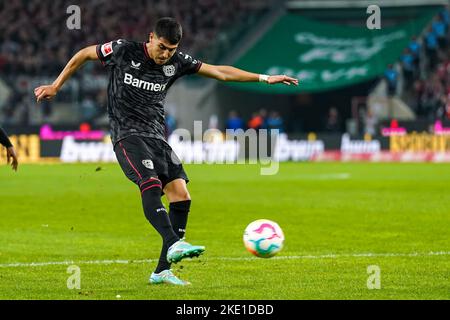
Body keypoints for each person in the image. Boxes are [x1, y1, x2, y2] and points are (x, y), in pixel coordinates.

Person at [34, 17, 298, 286]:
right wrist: (56, 85)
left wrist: (265, 78)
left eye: (172, 49)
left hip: (158, 138)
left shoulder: (177, 61)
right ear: (151, 38)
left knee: (181, 196)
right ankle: (173, 242)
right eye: (162, 47)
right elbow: (84, 54)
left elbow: (221, 72)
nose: (166, 55)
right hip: (127, 135)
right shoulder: (124, 50)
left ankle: (161, 271)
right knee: (149, 184)